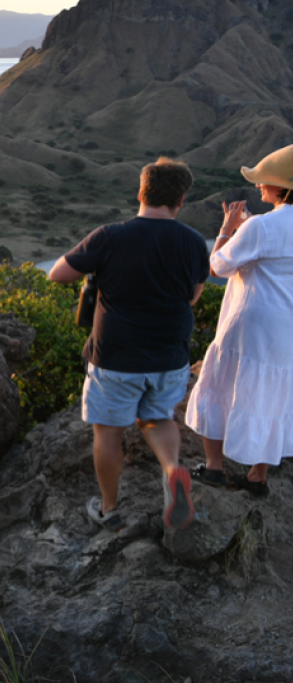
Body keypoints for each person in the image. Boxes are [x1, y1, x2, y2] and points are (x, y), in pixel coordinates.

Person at [49, 157, 209, 532]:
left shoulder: (109, 235)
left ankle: (108, 509)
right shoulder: (192, 242)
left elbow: (58, 274)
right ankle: (172, 472)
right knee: (158, 419)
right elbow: (193, 298)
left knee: (108, 431)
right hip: (170, 355)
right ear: (181, 200)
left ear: (141, 192)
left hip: (117, 356)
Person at [185, 145, 293, 498]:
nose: (260, 186)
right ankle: (256, 476)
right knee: (271, 396)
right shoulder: (262, 227)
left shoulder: (261, 226)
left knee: (218, 384)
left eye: (266, 180)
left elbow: (218, 266)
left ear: (284, 187)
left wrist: (227, 228)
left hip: (250, 321)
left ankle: (214, 468)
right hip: (285, 327)